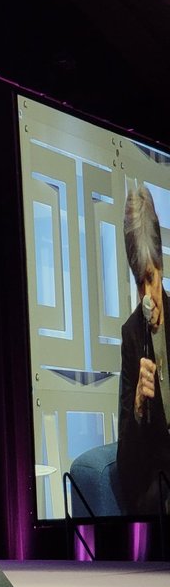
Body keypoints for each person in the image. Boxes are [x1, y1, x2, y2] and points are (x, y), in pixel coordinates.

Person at [118, 184, 170, 514]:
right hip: (160, 475)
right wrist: (137, 405)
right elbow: (127, 455)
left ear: (161, 268)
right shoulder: (132, 333)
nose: (146, 295)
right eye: (139, 282)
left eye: (150, 277)